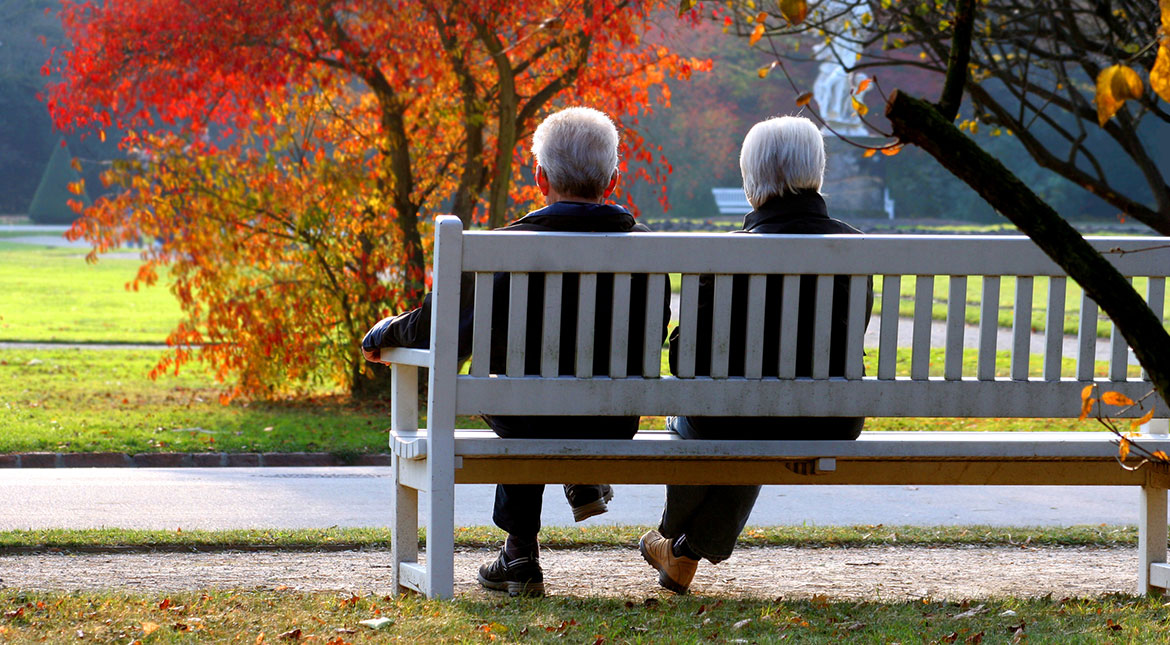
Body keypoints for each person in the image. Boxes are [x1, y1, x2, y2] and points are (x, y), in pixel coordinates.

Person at [362, 106, 670, 597]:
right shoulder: (649, 251)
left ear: (539, 177)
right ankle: (582, 475)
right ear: (613, 181)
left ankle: (521, 553)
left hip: (524, 417)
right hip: (611, 420)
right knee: (543, 389)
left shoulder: (500, 250)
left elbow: (437, 331)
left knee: (520, 386)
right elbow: (651, 340)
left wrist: (383, 332)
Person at [638, 115, 874, 594]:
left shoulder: (725, 257)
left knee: (720, 418)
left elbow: (686, 364)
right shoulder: (855, 250)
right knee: (759, 418)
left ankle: (671, 535)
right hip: (827, 423)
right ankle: (682, 554)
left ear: (751, 181)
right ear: (817, 172)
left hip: (731, 421)